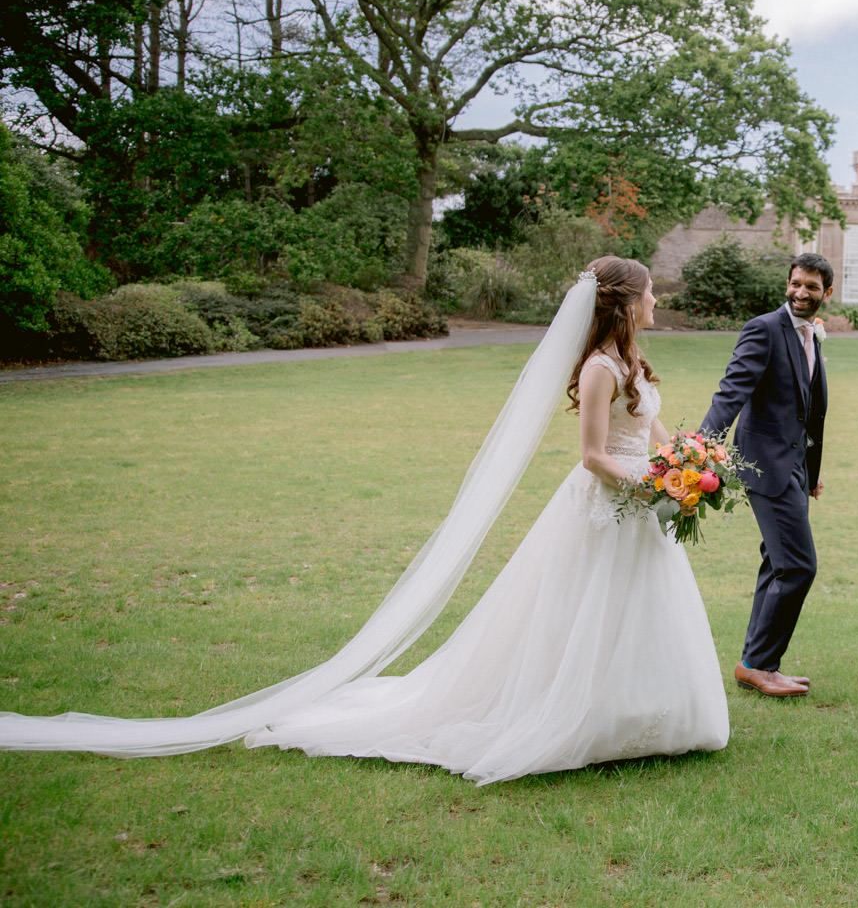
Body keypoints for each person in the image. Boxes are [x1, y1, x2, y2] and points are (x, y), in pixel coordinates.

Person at [0, 257, 729, 784]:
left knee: (638, 611)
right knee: (586, 612)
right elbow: (594, 456)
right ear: (624, 302)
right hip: (607, 506)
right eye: (650, 293)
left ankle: (642, 715)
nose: (656, 300)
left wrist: (687, 464)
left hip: (643, 506)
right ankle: (579, 718)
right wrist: (651, 482)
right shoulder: (599, 367)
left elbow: (654, 435)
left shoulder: (635, 359)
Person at [701, 253, 833, 698]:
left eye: (811, 286)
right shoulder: (764, 329)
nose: (800, 292)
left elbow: (810, 412)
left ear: (827, 293)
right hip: (764, 467)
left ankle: (756, 664)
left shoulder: (811, 334)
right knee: (798, 567)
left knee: (778, 563)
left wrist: (811, 472)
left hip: (793, 468)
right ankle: (759, 665)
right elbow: (730, 392)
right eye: (796, 283)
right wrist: (701, 449)